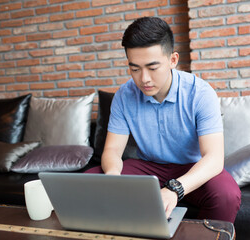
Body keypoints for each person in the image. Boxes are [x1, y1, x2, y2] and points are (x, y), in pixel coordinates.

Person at [86, 17, 241, 223]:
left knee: (227, 195)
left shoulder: (201, 93)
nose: (144, 79)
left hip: (190, 168)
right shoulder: (124, 95)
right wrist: (114, 176)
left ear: (173, 60)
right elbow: (112, 151)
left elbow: (213, 158)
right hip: (148, 167)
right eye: (135, 69)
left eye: (152, 67)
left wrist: (174, 189)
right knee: (90, 182)